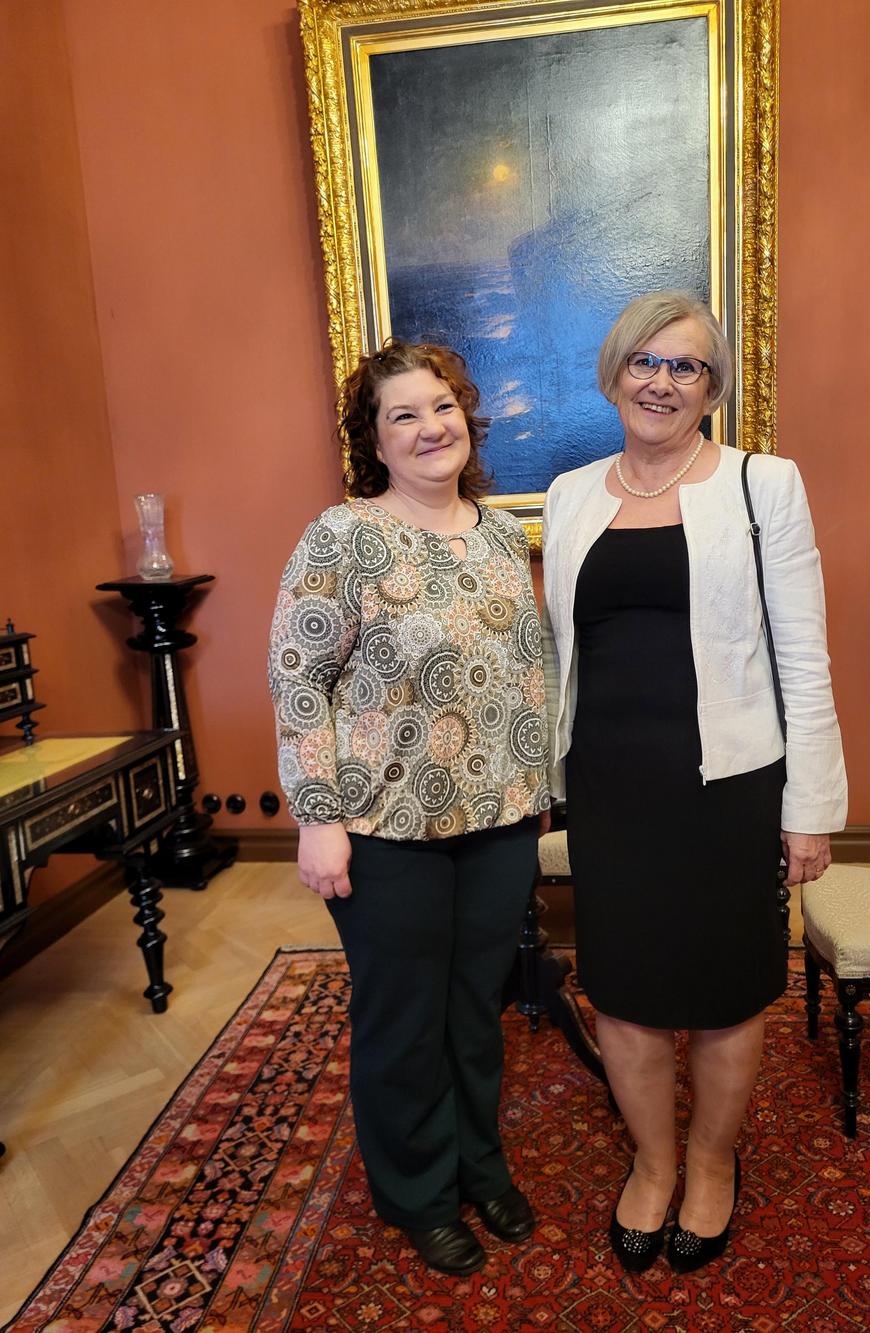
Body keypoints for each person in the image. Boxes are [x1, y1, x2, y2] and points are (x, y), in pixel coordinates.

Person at [541, 291, 847, 1275]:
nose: (661, 381)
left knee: (724, 991)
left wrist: (810, 809)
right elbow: (557, 655)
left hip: (728, 785)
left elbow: (804, 655)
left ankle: (711, 1163)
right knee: (622, 989)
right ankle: (653, 1159)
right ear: (614, 372)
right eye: (645, 360)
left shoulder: (764, 484)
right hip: (611, 786)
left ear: (712, 389)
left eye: (686, 366)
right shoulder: (570, 493)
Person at [268, 338, 550, 1276]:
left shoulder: (502, 534)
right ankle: (419, 1192)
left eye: (442, 406)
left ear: (466, 416)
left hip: (499, 819)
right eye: (404, 415)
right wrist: (318, 816)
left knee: (475, 1009)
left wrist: (537, 789)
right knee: (404, 1018)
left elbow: (528, 671)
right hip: (383, 826)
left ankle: (480, 1166)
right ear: (375, 441)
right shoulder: (342, 537)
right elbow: (299, 680)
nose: (431, 427)